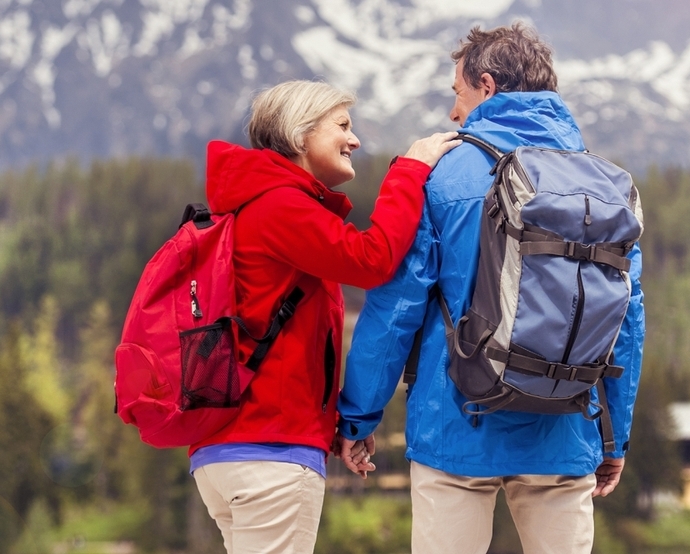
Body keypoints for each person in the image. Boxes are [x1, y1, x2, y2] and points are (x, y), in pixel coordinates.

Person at [335, 22, 645, 554]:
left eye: (458, 94)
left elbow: (397, 306)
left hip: (456, 424)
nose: (455, 112)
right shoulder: (605, 184)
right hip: (566, 426)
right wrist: (614, 433)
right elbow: (627, 322)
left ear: (486, 85)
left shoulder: (447, 175)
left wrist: (359, 416)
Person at [187, 79, 461, 554]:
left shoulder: (256, 204)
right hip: (270, 452)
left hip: (233, 448)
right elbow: (372, 259)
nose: (354, 140)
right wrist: (410, 171)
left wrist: (334, 426)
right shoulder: (281, 206)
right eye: (342, 126)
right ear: (299, 134)